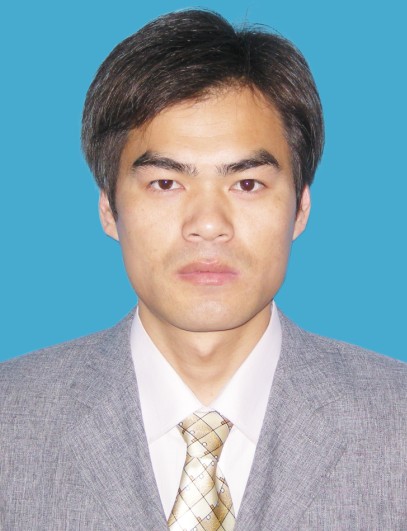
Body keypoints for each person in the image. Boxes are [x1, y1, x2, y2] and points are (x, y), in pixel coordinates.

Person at [1, 9, 406, 530]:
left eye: (247, 184)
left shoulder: (396, 421)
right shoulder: (12, 419)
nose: (209, 225)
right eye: (166, 183)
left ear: (301, 207)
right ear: (108, 208)